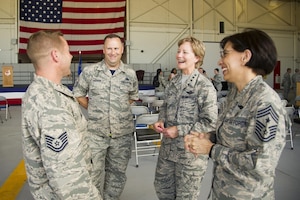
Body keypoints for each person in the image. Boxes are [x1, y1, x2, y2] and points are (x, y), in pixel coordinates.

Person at [184, 28, 289, 199]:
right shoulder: (235, 94)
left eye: (225, 54)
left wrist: (211, 150)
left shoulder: (264, 102)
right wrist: (207, 137)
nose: (220, 61)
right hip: (223, 191)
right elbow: (233, 138)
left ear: (245, 56)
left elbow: (259, 163)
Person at [21, 30, 101, 199]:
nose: (71, 56)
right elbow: (68, 178)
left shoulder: (44, 92)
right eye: (68, 51)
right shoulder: (50, 103)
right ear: (56, 55)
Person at [72, 33, 139, 200]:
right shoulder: (90, 72)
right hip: (96, 134)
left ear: (122, 50)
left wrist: (117, 111)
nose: (112, 52)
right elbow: (79, 94)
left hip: (121, 135)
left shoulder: (130, 74)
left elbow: (132, 96)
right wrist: (94, 108)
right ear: (103, 50)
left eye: (116, 48)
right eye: (109, 48)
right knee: (92, 173)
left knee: (117, 174)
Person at [152, 36, 218, 199]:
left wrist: (179, 130)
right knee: (162, 189)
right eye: (178, 51)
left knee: (186, 196)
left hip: (190, 155)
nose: (179, 55)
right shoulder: (173, 83)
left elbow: (210, 122)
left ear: (197, 57)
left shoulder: (204, 86)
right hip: (167, 152)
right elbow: (166, 107)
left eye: (185, 52)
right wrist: (161, 120)